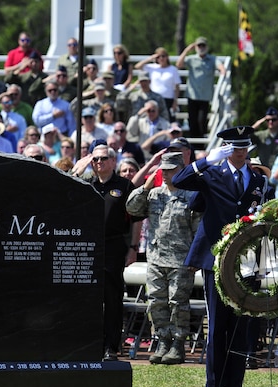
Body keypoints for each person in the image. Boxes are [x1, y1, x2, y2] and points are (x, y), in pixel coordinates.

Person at [172, 126, 267, 387]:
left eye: (243, 148)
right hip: (216, 259)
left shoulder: (258, 180)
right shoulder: (212, 173)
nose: (240, 153)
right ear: (226, 148)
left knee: (240, 325)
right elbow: (179, 179)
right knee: (218, 325)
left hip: (246, 260)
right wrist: (206, 160)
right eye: (234, 148)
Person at [125, 151, 200, 365]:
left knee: (177, 303)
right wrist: (146, 186)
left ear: (181, 171)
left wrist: (194, 258)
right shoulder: (154, 194)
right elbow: (131, 207)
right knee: (156, 302)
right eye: (163, 170)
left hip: (180, 259)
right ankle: (162, 340)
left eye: (171, 170)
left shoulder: (190, 196)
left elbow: (197, 230)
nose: (165, 174)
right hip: (156, 258)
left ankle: (177, 344)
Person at [77, 143, 136, 361]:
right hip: (88, 247)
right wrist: (80, 167)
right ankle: (92, 343)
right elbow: (65, 185)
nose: (99, 163)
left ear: (113, 161)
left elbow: (136, 220)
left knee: (112, 298)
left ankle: (111, 345)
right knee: (89, 297)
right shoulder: (85, 184)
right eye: (95, 159)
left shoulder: (124, 185)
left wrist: (133, 248)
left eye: (103, 159)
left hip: (113, 245)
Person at [176, 37, 226, 138]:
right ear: (195, 47)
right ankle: (194, 144)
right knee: (192, 120)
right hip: (192, 95)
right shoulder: (191, 59)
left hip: (205, 96)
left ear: (206, 47)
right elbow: (179, 64)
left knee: (202, 120)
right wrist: (186, 50)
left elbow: (221, 67)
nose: (201, 48)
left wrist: (222, 72)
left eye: (203, 45)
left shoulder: (212, 59)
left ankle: (201, 143)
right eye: (199, 45)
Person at [135, 47, 181, 122]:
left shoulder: (173, 69)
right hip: (154, 98)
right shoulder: (152, 67)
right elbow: (138, 66)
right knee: (152, 119)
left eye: (163, 56)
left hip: (168, 98)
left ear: (167, 57)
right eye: (159, 57)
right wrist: (151, 58)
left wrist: (175, 101)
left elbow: (177, 86)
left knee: (168, 119)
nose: (161, 58)